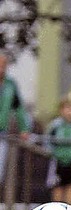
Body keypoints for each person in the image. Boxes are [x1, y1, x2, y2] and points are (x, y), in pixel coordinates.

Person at [0, 52, 30, 184]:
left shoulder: (10, 85)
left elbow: (18, 108)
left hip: (2, 132)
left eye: (3, 65)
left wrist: (24, 128)